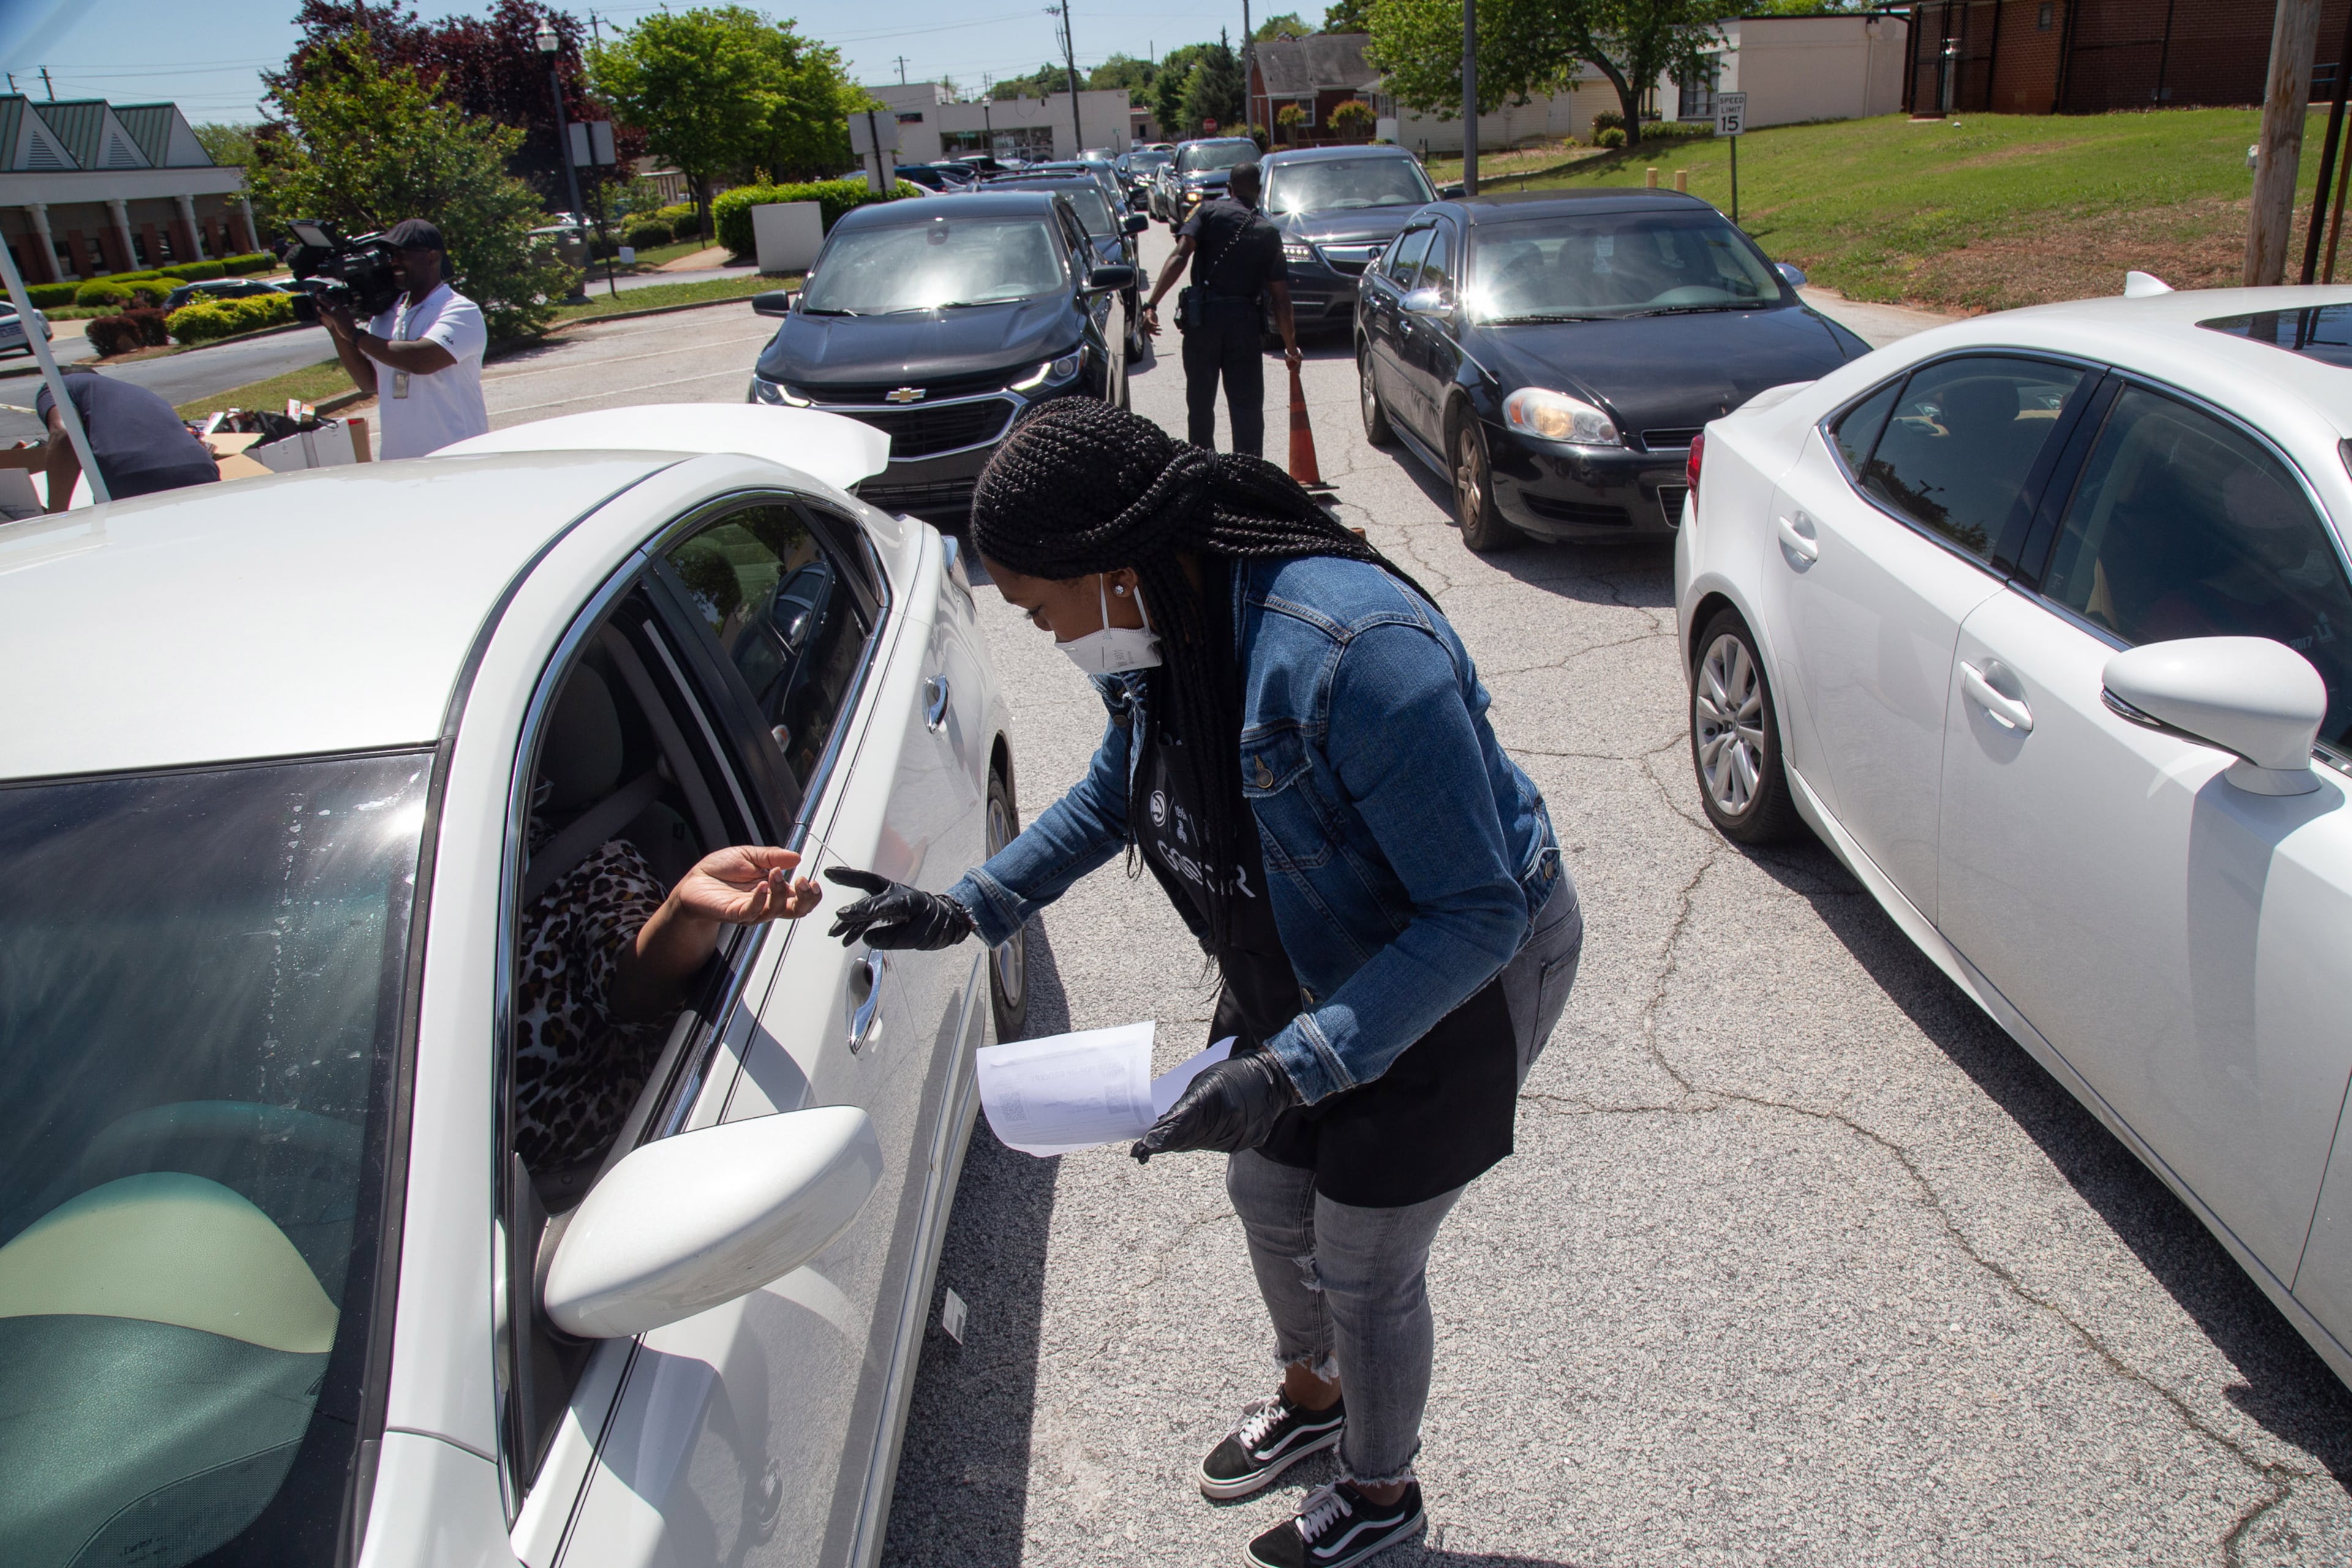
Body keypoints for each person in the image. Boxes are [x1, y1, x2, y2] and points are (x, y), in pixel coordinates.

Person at [826, 399, 1583, 1568]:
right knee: (1269, 1199)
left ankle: (1382, 1500)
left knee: (1365, 1258)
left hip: (1444, 978)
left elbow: (1476, 911)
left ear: (1114, 567)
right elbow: (1117, 787)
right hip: (1297, 951)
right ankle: (1315, 1402)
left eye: (1039, 609)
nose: (1041, 634)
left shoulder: (1354, 654)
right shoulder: (1161, 626)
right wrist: (970, 906)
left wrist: (1291, 1068)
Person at [1140, 161, 1300, 458]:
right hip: (1245, 326)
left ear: (1229, 188)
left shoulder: (1206, 212)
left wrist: (1151, 303)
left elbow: (1180, 255)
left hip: (1203, 323)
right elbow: (1281, 298)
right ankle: (1247, 476)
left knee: (1200, 404)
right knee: (1247, 408)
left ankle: (1204, 475)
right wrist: (1291, 347)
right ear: (1260, 192)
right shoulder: (1268, 231)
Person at [318, 217, 488, 460]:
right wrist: (335, 329)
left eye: (401, 254)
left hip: (455, 457)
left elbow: (421, 361)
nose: (394, 262)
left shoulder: (460, 310)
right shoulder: (388, 314)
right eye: (391, 255)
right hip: (399, 463)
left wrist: (354, 335)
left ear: (432, 256)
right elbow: (369, 382)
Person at [31, 364, 217, 510]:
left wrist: (56, 513)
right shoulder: (134, 391)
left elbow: (64, 434)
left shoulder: (57, 386)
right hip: (201, 469)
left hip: (134, 476)